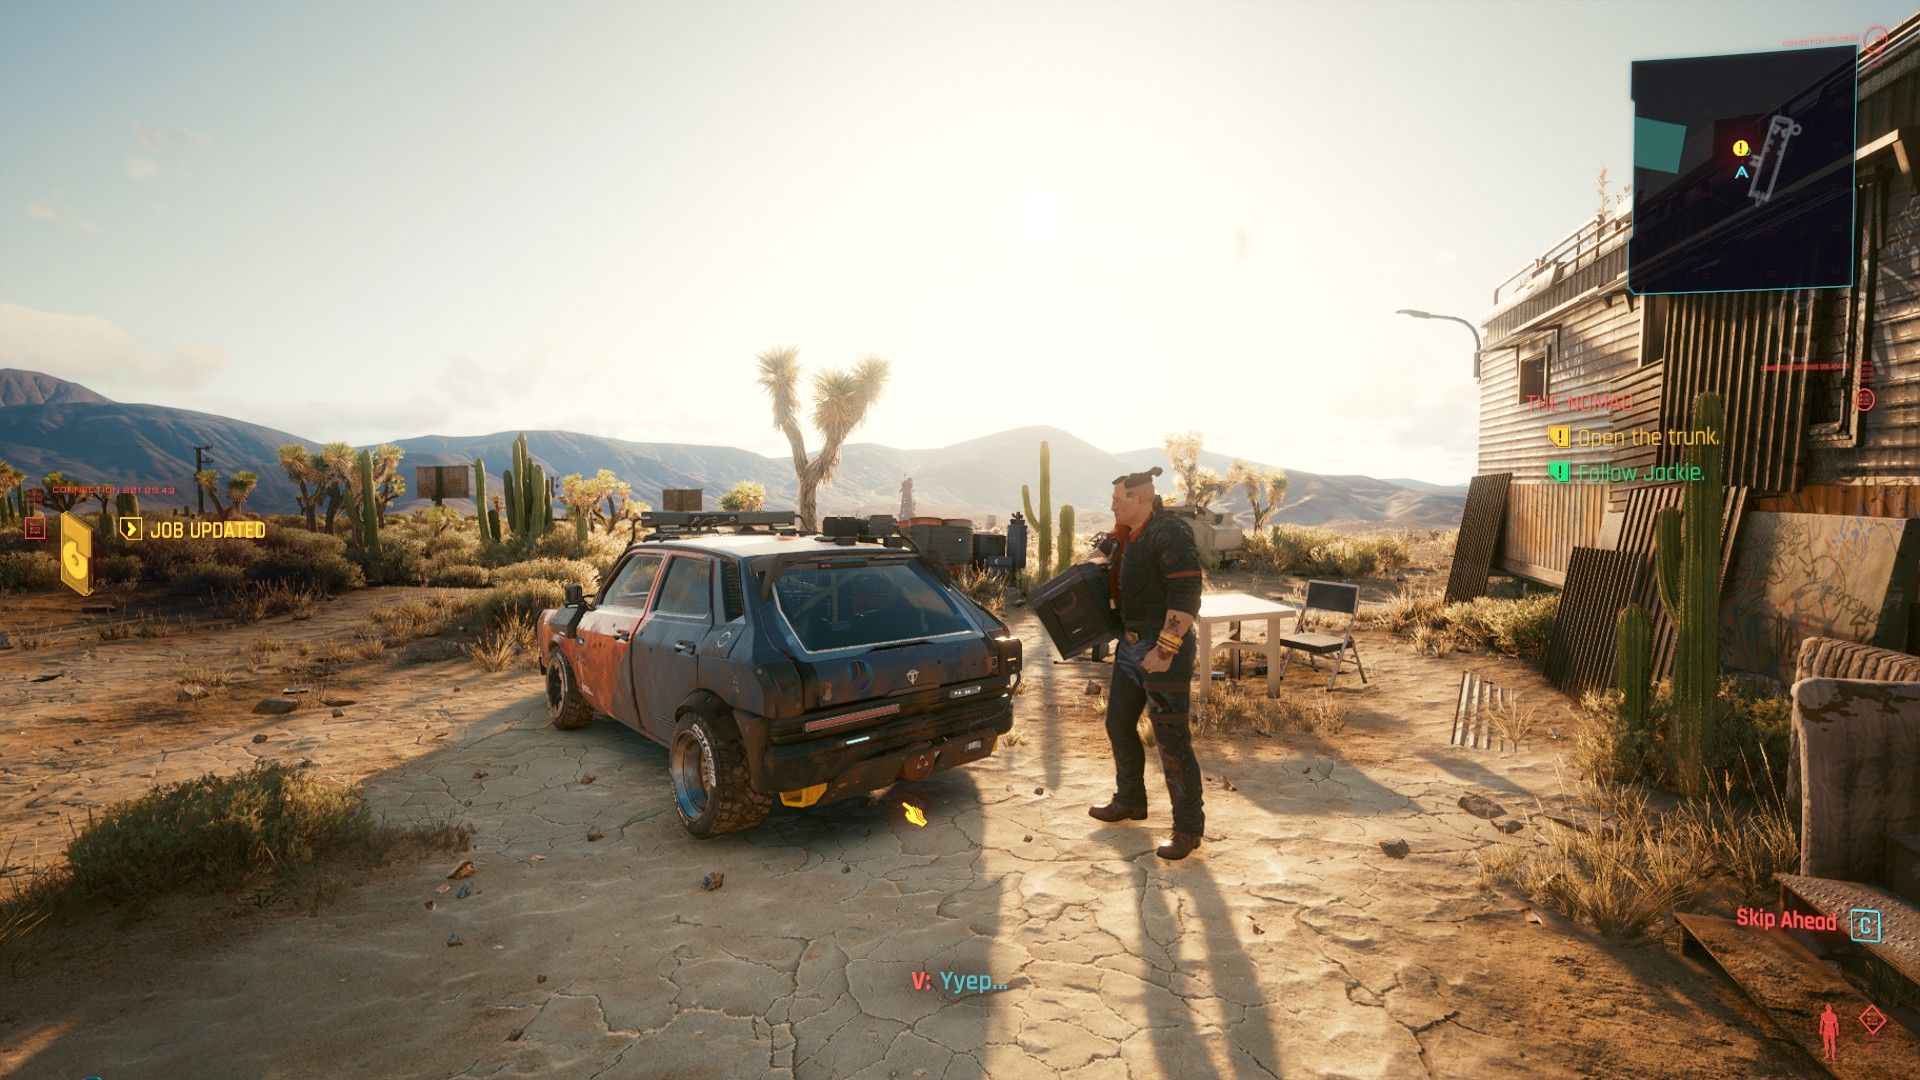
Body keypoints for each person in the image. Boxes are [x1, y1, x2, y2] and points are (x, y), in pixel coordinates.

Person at [1087, 466, 1207, 859]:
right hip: (1131, 645)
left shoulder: (1170, 532)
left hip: (1163, 649)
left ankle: (1187, 829)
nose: (1112, 506)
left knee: (1172, 739)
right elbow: (1093, 565)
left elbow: (1186, 593)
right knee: (1118, 724)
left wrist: (1165, 649)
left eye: (1117, 500)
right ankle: (1130, 800)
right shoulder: (1125, 536)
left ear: (1141, 499)